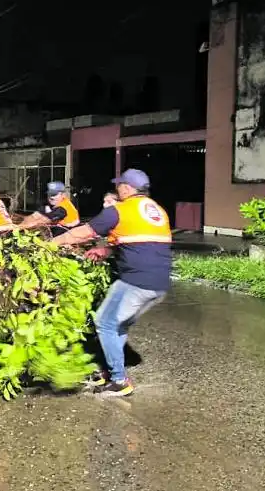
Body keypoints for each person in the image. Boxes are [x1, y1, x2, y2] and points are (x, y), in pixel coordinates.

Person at [51, 169, 172, 397]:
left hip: (136, 282)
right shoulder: (157, 211)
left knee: (105, 323)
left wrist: (50, 244)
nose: (117, 189)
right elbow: (141, 242)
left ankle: (119, 381)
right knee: (118, 325)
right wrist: (105, 250)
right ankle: (109, 370)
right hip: (158, 284)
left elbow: (83, 233)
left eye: (120, 185)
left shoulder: (120, 210)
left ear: (127, 188)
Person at [16, 181, 81, 236]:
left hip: (67, 238)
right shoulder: (51, 205)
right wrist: (22, 222)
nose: (51, 197)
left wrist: (18, 227)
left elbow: (43, 221)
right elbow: (35, 216)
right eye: (49, 194)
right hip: (56, 235)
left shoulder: (63, 208)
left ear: (63, 195)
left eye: (54, 194)